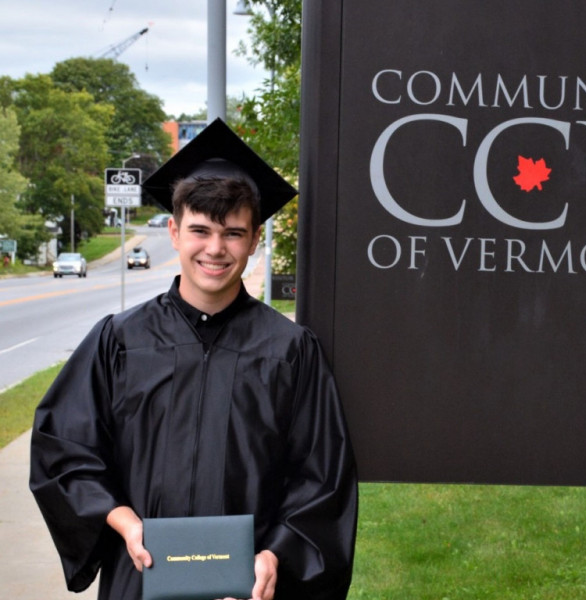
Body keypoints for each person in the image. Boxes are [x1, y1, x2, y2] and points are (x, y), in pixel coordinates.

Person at [29, 119, 358, 600]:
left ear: (255, 237)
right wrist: (122, 520)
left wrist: (276, 555)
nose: (215, 249)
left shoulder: (289, 350)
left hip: (249, 589)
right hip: (140, 578)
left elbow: (322, 476)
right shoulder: (119, 342)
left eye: (233, 233)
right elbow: (64, 450)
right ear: (175, 231)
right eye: (200, 230)